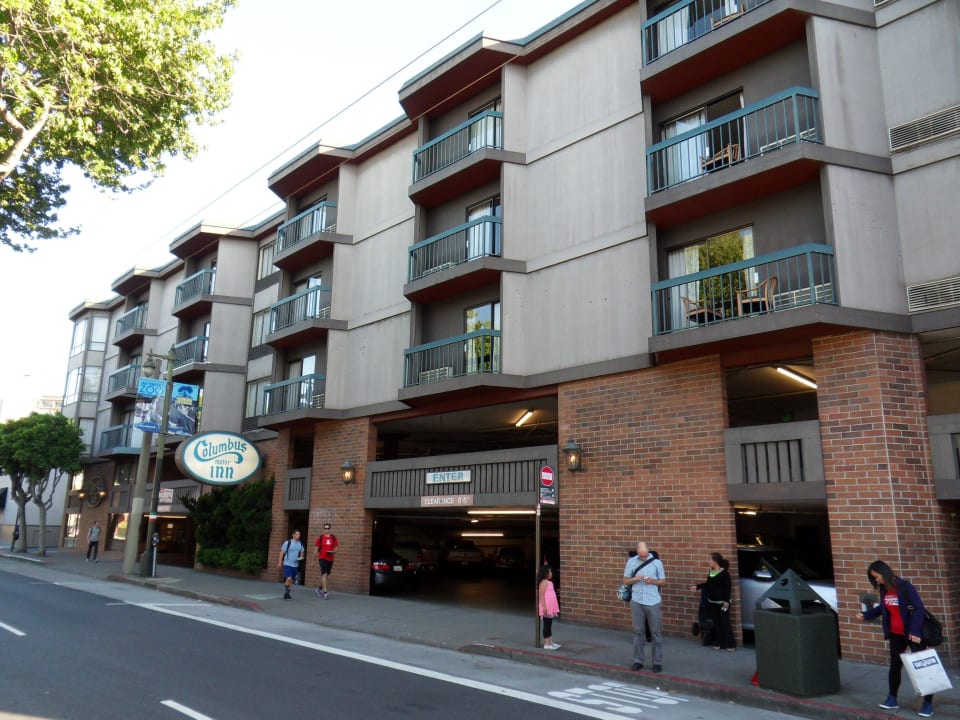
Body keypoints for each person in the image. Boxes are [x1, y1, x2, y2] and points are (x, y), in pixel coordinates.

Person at [855, 560, 935, 718]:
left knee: (922, 668)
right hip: (895, 634)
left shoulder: (905, 586)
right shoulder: (884, 589)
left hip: (912, 634)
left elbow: (919, 608)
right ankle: (892, 698)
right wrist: (866, 614)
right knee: (895, 666)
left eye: (877, 577)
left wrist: (915, 631)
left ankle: (927, 704)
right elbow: (883, 607)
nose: (877, 580)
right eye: (874, 578)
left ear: (884, 572)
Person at [623, 541, 665, 672]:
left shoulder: (657, 562)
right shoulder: (631, 562)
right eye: (641, 555)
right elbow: (625, 580)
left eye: (645, 555)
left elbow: (663, 581)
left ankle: (657, 662)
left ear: (648, 551)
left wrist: (652, 581)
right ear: (637, 552)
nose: (643, 557)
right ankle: (638, 660)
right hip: (637, 600)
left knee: (655, 632)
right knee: (637, 631)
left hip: (653, 600)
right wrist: (636, 579)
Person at [689, 552, 735, 651]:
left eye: (709, 560)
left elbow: (727, 588)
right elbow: (708, 584)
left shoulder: (724, 573)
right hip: (712, 602)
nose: (708, 561)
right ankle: (718, 643)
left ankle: (730, 644)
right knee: (716, 623)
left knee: (724, 623)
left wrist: (726, 601)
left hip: (722, 603)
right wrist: (697, 586)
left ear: (715, 561)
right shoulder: (711, 571)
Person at [538, 563, 561, 650]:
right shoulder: (544, 583)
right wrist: (544, 606)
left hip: (550, 607)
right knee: (547, 625)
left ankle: (550, 642)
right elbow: (541, 595)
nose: (551, 573)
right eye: (550, 571)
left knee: (549, 624)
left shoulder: (549, 582)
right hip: (546, 607)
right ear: (545, 573)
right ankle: (546, 643)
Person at [277, 529, 305, 600]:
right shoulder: (288, 543)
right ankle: (286, 593)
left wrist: (301, 557)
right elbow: (282, 553)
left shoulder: (300, 544)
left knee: (292, 580)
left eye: (299, 534)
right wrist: (280, 562)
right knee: (288, 578)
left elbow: (302, 553)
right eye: (297, 534)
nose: (298, 535)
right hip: (287, 563)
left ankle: (288, 593)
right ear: (293, 535)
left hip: (295, 564)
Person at [315, 523, 339, 599]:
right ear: (323, 529)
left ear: (330, 529)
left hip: (330, 558)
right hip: (322, 558)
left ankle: (319, 588)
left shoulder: (333, 537)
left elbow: (336, 547)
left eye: (328, 528)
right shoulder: (320, 538)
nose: (326, 529)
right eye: (325, 528)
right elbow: (316, 549)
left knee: (326, 575)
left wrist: (333, 551)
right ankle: (325, 592)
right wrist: (313, 559)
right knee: (324, 574)